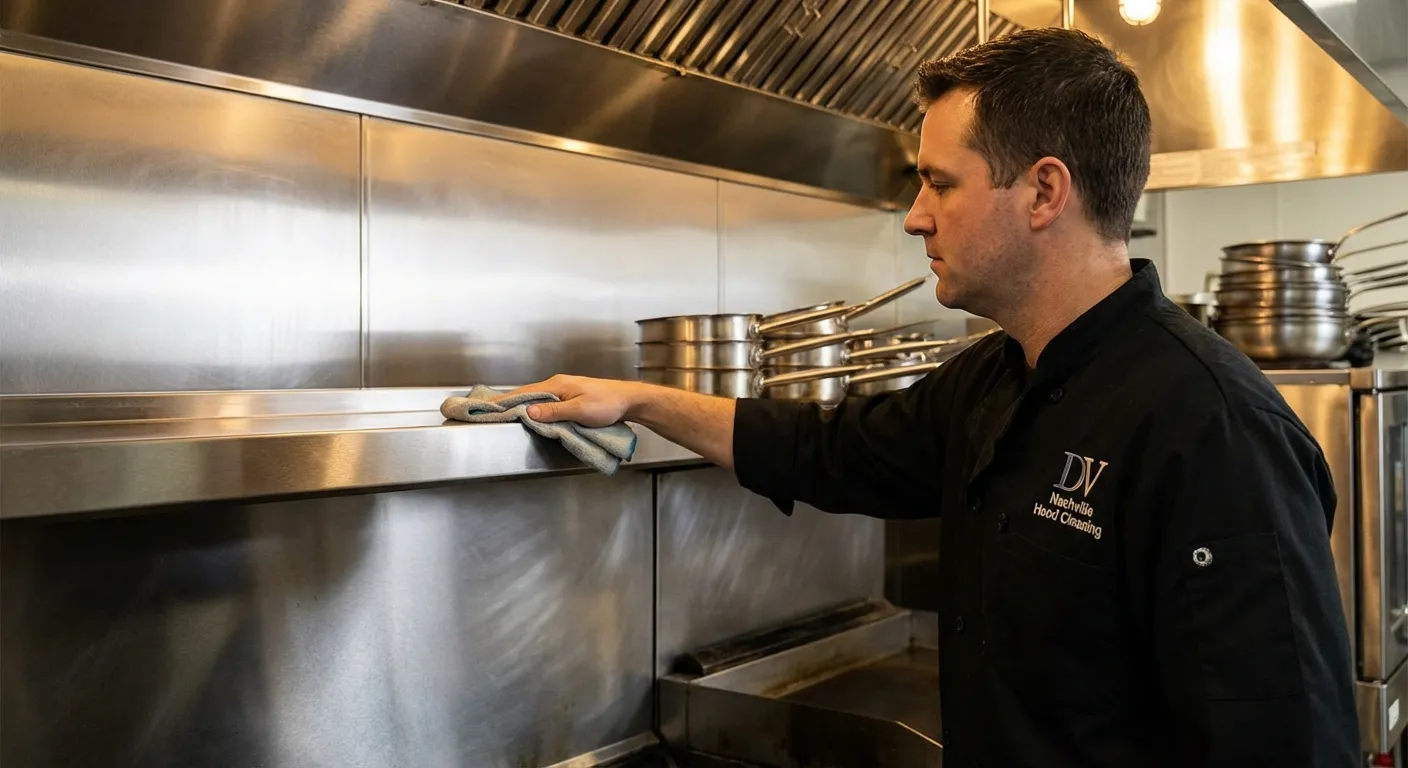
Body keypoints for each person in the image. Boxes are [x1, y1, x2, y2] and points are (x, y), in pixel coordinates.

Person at [500, 28, 1359, 767]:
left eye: (940, 183)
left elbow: (1287, 743)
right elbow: (825, 449)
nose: (915, 217)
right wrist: (640, 402)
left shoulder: (1213, 428)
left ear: (1044, 192)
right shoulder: (994, 377)